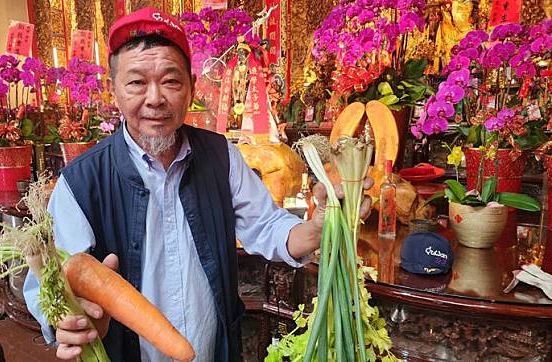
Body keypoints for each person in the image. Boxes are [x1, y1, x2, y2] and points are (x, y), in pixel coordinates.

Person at [23, 7, 372, 362]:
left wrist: (317, 228)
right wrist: (68, 319)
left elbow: (267, 226)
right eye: (136, 82)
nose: (155, 98)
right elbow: (47, 284)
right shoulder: (82, 182)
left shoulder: (221, 156)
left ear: (191, 87)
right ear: (114, 91)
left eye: (171, 81)